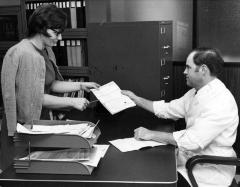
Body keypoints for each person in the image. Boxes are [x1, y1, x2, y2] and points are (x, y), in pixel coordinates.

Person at [122, 48, 239, 187]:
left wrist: (151, 134)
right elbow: (168, 109)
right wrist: (136, 99)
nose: (184, 72)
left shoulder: (220, 101)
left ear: (203, 70)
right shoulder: (196, 92)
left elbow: (192, 141)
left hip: (210, 169)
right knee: (148, 170)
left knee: (153, 180)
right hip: (192, 159)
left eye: (188, 67)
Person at [1, 4, 100, 136]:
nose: (60, 38)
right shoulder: (25, 54)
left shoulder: (46, 50)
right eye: (56, 33)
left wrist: (81, 85)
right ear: (41, 28)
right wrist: (72, 101)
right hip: (24, 127)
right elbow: (34, 99)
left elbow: (50, 83)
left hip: (41, 120)